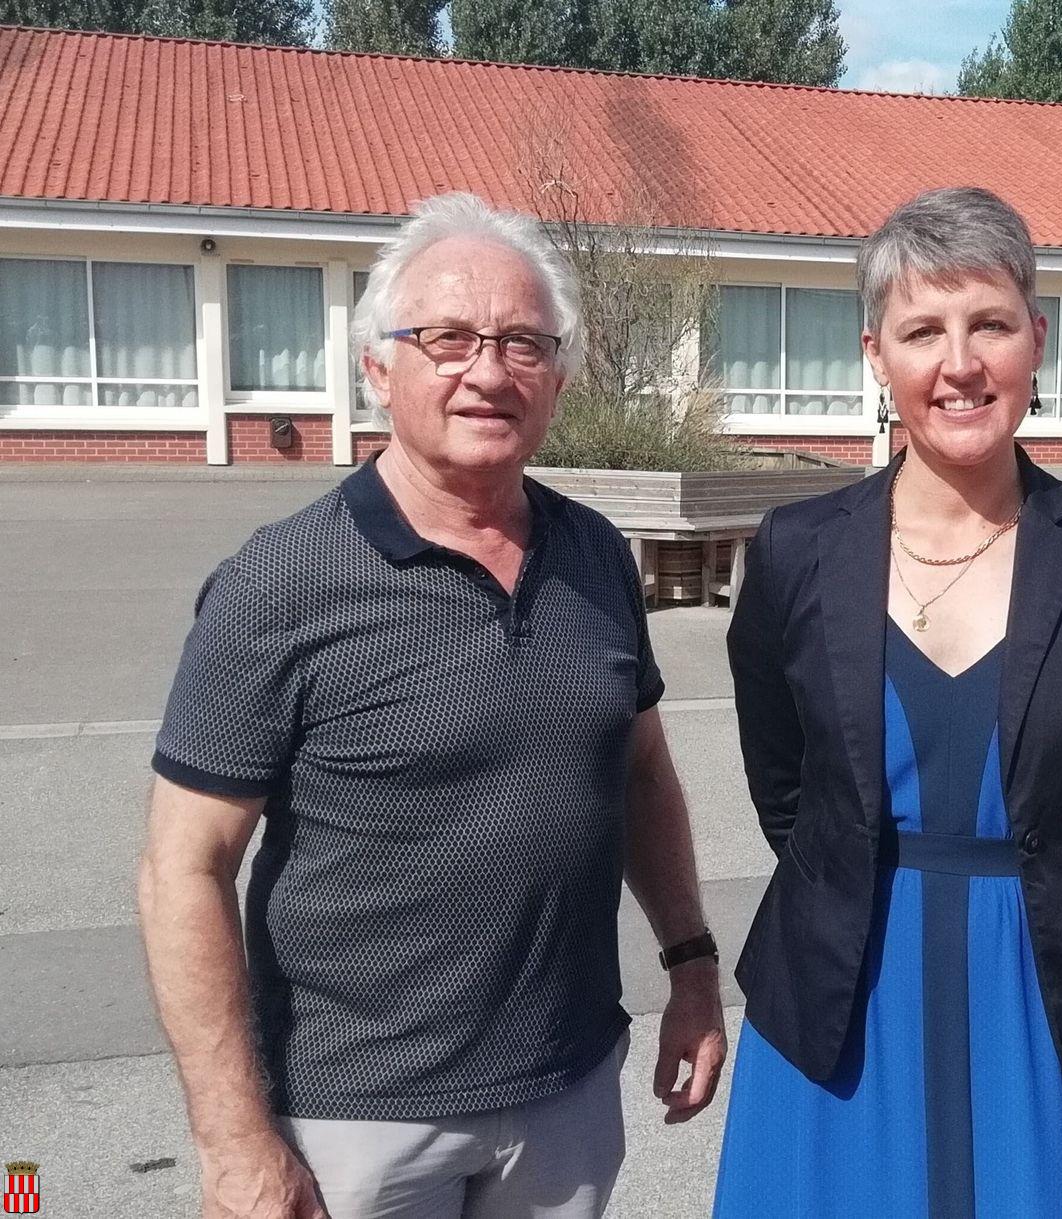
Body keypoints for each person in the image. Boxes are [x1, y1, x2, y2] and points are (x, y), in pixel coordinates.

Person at [137, 192, 726, 1219]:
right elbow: (183, 868)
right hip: (355, 1118)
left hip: (567, 1087)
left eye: (522, 343)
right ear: (378, 365)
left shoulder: (592, 556)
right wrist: (234, 1139)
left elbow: (636, 774)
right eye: (447, 338)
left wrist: (688, 964)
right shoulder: (279, 586)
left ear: (558, 373)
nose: (487, 372)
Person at [713, 186, 1062, 1217]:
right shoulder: (796, 554)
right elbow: (786, 788)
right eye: (921, 330)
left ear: (1036, 337)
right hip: (839, 999)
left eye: (988, 323)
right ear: (876, 356)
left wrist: (1052, 903)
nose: (959, 363)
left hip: (1043, 996)